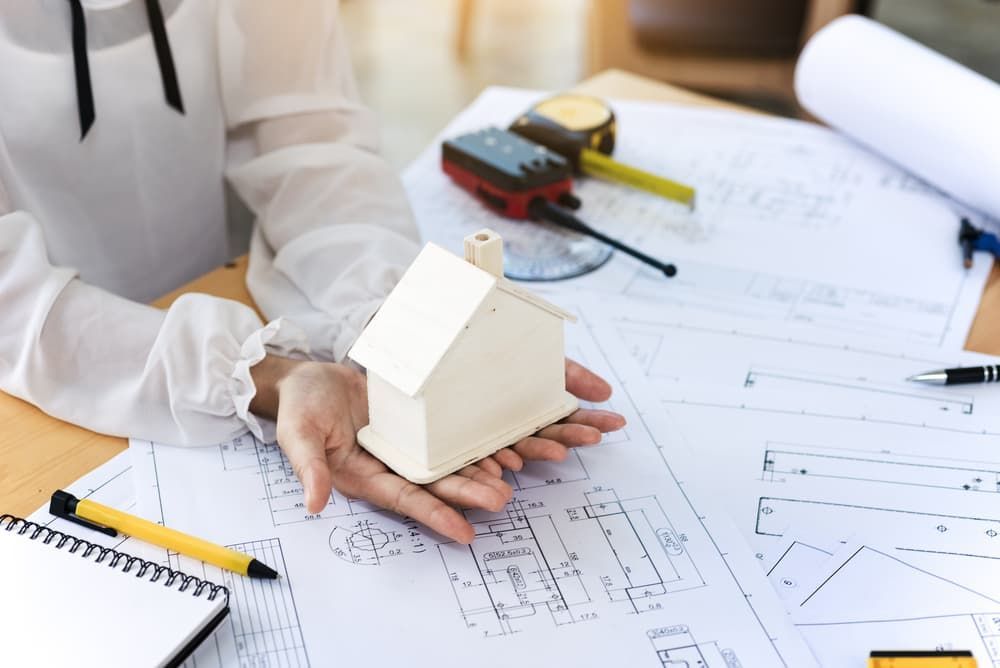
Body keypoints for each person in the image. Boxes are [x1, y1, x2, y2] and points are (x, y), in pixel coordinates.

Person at [0, 0, 624, 543]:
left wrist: (396, 326)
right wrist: (261, 375)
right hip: (32, 400)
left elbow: (306, 138)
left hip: (214, 284)